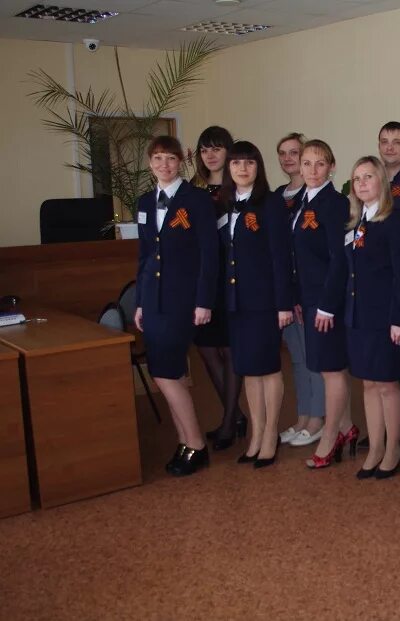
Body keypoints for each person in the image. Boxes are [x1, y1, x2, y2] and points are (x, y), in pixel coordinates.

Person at [134, 135, 218, 476]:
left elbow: (209, 254)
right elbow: (144, 256)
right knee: (168, 372)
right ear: (149, 163)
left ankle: (196, 444)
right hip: (153, 299)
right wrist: (140, 301)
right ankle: (184, 440)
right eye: (157, 159)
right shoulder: (143, 201)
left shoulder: (196, 199)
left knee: (165, 372)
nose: (164, 165)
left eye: (170, 158)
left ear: (181, 161)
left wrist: (203, 300)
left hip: (183, 300)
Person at [220, 141, 292, 468]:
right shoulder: (222, 203)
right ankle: (256, 432)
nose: (243, 169)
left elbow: (279, 256)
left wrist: (283, 304)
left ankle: (270, 433)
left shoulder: (271, 203)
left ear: (258, 167)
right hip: (236, 300)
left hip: (264, 300)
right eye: (236, 163)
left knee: (267, 368)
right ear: (229, 168)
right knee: (248, 368)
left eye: (249, 163)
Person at [292, 139, 358, 469]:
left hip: (327, 300)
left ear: (332, 166)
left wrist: (327, 305)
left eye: (320, 164)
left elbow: (338, 260)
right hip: (310, 297)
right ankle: (347, 428)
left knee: (331, 371)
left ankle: (329, 438)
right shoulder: (304, 201)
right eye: (307, 163)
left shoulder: (332, 203)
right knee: (330, 368)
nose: (313, 170)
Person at [345, 156, 400, 480]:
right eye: (356, 179)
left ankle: (393, 447)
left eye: (368, 177)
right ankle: (375, 447)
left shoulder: (393, 219)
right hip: (359, 315)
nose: (361, 184)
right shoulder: (357, 221)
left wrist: (399, 319)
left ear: (381, 181)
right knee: (368, 384)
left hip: (385, 317)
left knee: (387, 384)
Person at [191, 126, 247, 451]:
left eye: (216, 148)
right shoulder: (194, 193)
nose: (210, 155)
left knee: (231, 349)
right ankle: (235, 414)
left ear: (229, 152)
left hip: (233, 279)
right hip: (204, 281)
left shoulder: (236, 189)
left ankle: (229, 421)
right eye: (204, 150)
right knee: (207, 348)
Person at [273, 132, 327, 448]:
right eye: (284, 153)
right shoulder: (277, 197)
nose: (289, 159)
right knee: (296, 357)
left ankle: (318, 416)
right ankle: (304, 414)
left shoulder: (317, 196)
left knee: (314, 356)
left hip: (312, 293)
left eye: (296, 153)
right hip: (289, 292)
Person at [379, 121, 400, 211]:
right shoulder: (371, 181)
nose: (389, 148)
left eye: (397, 143)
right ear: (379, 147)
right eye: (384, 142)